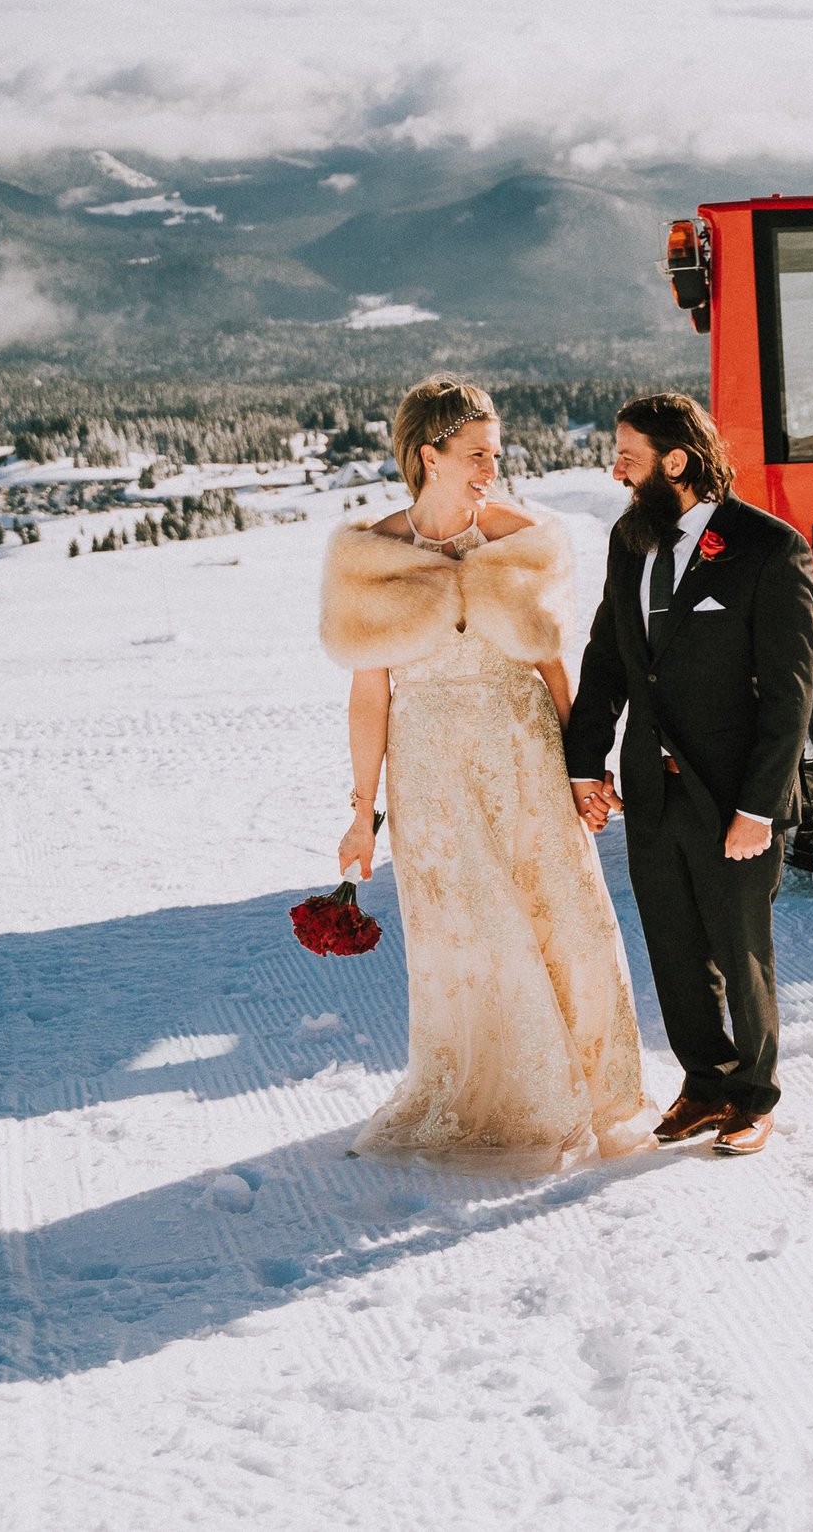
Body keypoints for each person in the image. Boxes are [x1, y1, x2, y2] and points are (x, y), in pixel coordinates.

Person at [319, 374, 654, 1175]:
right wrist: (361, 814)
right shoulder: (371, 557)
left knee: (567, 920)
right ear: (428, 454)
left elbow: (554, 669)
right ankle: (502, 1099)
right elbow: (370, 694)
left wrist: (581, 772)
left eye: (495, 456)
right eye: (475, 455)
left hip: (525, 756)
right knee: (467, 939)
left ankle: (594, 1091)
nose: (489, 471)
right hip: (430, 774)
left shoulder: (522, 540)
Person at [565, 392, 813, 1157]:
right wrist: (584, 764)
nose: (615, 470)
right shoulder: (629, 541)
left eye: (628, 457)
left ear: (675, 462)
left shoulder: (769, 549)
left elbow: (789, 694)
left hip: (736, 795)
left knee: (740, 951)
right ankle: (704, 1083)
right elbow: (608, 657)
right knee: (673, 948)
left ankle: (756, 1095)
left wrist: (759, 807)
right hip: (653, 787)